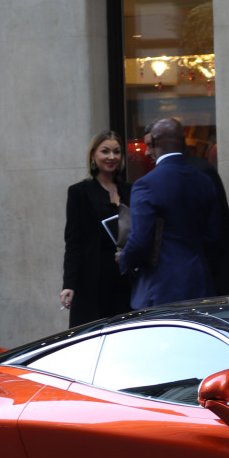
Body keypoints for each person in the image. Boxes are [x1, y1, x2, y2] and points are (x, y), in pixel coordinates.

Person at [120, 117, 222, 307]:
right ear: (182, 141)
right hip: (200, 284)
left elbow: (140, 239)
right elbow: (214, 237)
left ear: (155, 142)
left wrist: (124, 259)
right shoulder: (203, 180)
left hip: (161, 287)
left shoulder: (146, 184)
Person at [143, 119, 229, 295]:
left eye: (151, 145)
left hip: (206, 279)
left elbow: (214, 235)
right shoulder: (184, 172)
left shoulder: (197, 173)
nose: (147, 152)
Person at [60, 130, 133, 326]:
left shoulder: (130, 190)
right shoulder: (79, 192)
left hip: (125, 279)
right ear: (93, 155)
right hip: (92, 281)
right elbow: (73, 241)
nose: (112, 157)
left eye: (117, 152)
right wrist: (69, 284)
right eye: (105, 151)